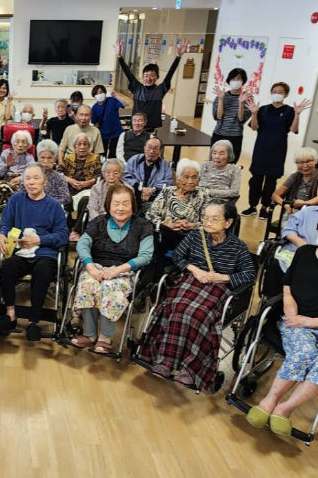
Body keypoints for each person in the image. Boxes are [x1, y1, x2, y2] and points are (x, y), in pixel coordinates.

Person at [137, 201, 255, 391]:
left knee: (199, 315)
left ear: (228, 222)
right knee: (176, 307)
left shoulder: (238, 247)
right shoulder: (195, 236)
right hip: (191, 280)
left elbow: (249, 274)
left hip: (217, 287)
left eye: (214, 219)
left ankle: (190, 370)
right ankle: (165, 361)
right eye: (205, 218)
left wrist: (222, 277)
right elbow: (177, 257)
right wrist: (195, 270)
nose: (207, 222)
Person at [71, 185, 153, 353]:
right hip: (96, 267)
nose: (120, 208)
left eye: (125, 203)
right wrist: (91, 267)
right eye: (116, 203)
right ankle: (90, 334)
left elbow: (146, 256)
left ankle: (105, 338)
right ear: (108, 205)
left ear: (133, 205)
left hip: (124, 271)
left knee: (110, 288)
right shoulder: (99, 222)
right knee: (88, 284)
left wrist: (117, 270)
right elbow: (82, 244)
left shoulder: (143, 226)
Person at [246, 244, 318, 435]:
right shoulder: (305, 252)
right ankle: (269, 401)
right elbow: (287, 284)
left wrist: (309, 321)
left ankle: (285, 410)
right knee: (306, 352)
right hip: (295, 322)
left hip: (308, 322)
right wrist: (289, 304)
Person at [0, 163, 69, 341]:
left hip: (45, 253)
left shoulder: (54, 206)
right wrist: (1, 235)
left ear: (45, 181)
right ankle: (10, 314)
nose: (31, 182)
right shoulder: (16, 200)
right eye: (27, 178)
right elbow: (5, 223)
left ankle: (33, 320)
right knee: (6, 268)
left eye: (36, 178)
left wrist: (40, 240)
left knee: (42, 272)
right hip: (20, 251)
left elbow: (63, 235)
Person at [243, 83, 312, 218]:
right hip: (261, 149)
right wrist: (254, 113)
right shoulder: (262, 109)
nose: (277, 94)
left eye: (280, 92)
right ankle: (252, 206)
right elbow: (254, 127)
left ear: (285, 95)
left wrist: (297, 114)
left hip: (277, 151)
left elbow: (293, 129)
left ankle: (265, 207)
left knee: (270, 181)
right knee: (255, 180)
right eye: (274, 91)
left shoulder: (289, 111)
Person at [146, 159, 209, 275]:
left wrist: (192, 225)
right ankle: (155, 274)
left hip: (188, 237)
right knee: (157, 234)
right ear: (178, 178)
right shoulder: (167, 192)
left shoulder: (202, 195)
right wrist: (166, 223)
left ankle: (159, 275)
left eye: (194, 177)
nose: (190, 181)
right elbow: (150, 214)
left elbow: (207, 223)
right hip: (164, 234)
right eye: (186, 177)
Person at [115, 39, 190, 132]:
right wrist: (119, 56)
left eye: (152, 75)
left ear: (157, 77)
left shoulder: (160, 89)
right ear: (143, 77)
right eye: (146, 75)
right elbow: (127, 72)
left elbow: (170, 73)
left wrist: (178, 56)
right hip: (136, 127)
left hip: (152, 129)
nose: (149, 78)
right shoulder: (137, 88)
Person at [210, 68, 253, 159]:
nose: (236, 81)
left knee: (232, 162)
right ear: (229, 80)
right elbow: (218, 117)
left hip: (235, 135)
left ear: (243, 81)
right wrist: (221, 99)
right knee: (215, 161)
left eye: (239, 78)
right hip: (219, 133)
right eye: (233, 79)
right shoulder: (221, 95)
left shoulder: (247, 97)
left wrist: (241, 103)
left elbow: (241, 120)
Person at [123, 137, 173, 214]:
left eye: (155, 148)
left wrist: (153, 190)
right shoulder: (134, 160)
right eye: (149, 147)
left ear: (160, 151)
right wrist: (141, 189)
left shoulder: (165, 165)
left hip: (154, 199)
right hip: (133, 197)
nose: (151, 151)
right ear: (144, 148)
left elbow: (168, 182)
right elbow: (126, 178)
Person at [270, 147, 318, 216]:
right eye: (301, 162)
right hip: (292, 212)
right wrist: (285, 204)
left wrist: (305, 203)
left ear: (315, 161)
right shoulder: (294, 177)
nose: (305, 166)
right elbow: (275, 195)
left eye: (308, 161)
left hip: (313, 213)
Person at [90, 85, 130, 158]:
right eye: (97, 93)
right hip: (103, 135)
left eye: (101, 92)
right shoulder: (94, 108)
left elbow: (126, 104)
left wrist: (116, 96)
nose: (99, 94)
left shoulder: (112, 100)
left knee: (114, 154)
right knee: (102, 156)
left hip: (116, 133)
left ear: (105, 93)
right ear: (94, 96)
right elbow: (95, 124)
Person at [199, 140, 241, 204]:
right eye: (214, 153)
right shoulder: (205, 165)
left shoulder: (234, 170)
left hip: (219, 203)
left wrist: (209, 192)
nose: (217, 157)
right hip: (199, 199)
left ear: (229, 155)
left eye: (221, 154)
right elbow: (195, 183)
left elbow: (234, 192)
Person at [33, 140, 71, 207]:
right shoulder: (30, 175)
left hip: (52, 208)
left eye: (49, 158)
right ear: (37, 157)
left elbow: (66, 198)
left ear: (55, 159)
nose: (45, 161)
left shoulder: (59, 177)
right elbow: (21, 194)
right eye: (42, 157)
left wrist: (47, 202)